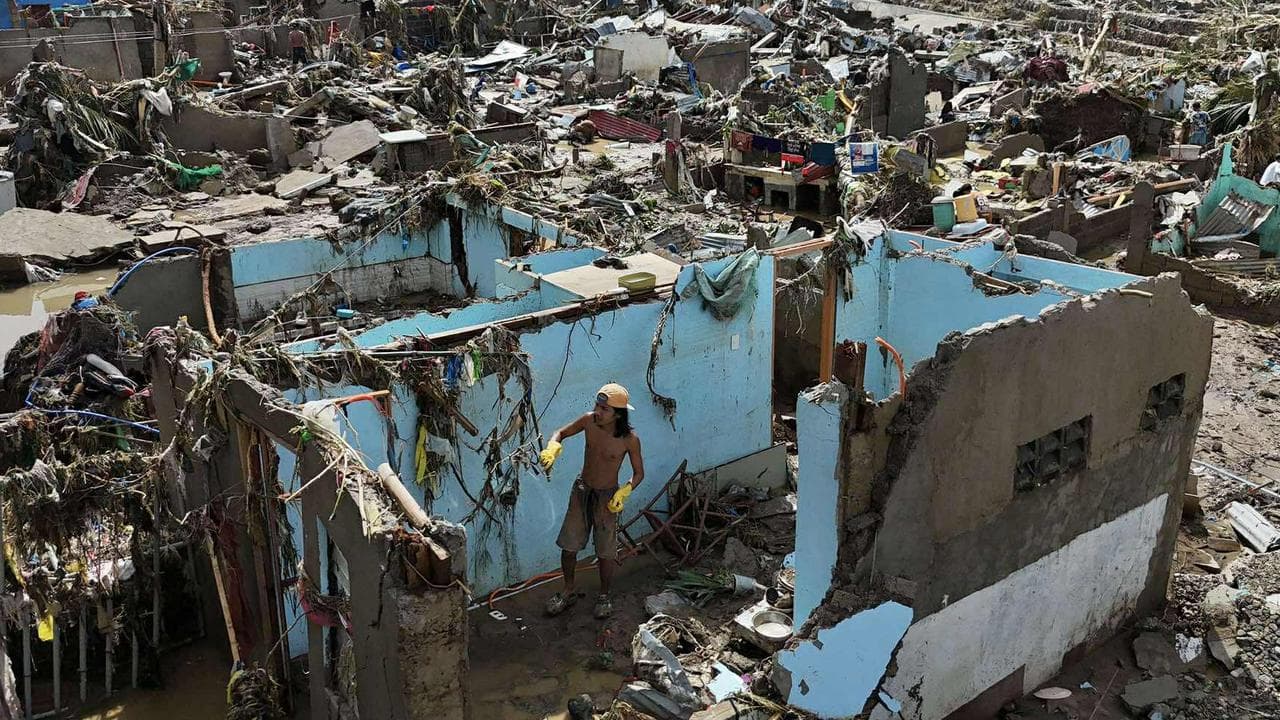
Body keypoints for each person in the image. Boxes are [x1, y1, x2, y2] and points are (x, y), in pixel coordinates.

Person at [539, 383, 644, 619]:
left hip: (607, 497)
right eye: (597, 405)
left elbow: (639, 473)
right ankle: (568, 590)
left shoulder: (629, 440)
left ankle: (604, 596)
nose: (598, 411)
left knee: (606, 551)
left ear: (618, 414)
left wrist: (624, 492)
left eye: (604, 408)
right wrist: (553, 447)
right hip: (582, 490)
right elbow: (561, 432)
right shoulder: (588, 421)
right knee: (569, 546)